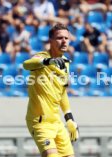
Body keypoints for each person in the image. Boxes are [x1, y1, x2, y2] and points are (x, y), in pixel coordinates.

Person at [23, 23, 79, 157]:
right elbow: (26, 64)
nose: (64, 41)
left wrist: (69, 118)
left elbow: (62, 92)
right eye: (60, 38)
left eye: (66, 38)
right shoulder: (41, 57)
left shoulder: (65, 62)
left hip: (56, 121)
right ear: (51, 41)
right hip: (40, 121)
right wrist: (48, 61)